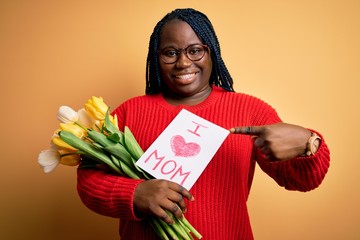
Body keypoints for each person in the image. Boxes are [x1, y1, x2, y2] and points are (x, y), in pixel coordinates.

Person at [77, 8, 330, 239]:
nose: (183, 62)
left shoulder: (250, 111)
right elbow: (88, 179)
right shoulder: (129, 112)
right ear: (156, 57)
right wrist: (135, 193)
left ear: (212, 53)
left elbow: (303, 181)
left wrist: (309, 144)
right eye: (170, 53)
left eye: (195, 50)